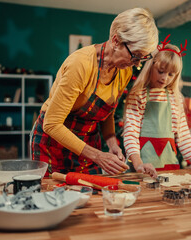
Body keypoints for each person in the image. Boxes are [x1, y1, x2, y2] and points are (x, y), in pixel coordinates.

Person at [31, 8, 159, 176]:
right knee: (53, 197)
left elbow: (108, 113)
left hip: (88, 143)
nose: (136, 65)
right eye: (135, 56)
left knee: (90, 198)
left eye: (142, 58)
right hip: (52, 144)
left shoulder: (124, 70)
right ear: (115, 41)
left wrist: (112, 144)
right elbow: (51, 124)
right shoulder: (81, 64)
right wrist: (98, 156)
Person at [123, 35, 191, 178]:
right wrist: (138, 164)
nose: (165, 78)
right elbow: (130, 133)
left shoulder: (175, 99)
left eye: (171, 74)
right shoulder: (138, 95)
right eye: (161, 71)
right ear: (151, 66)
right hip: (143, 167)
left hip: (170, 166)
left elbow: (183, 135)